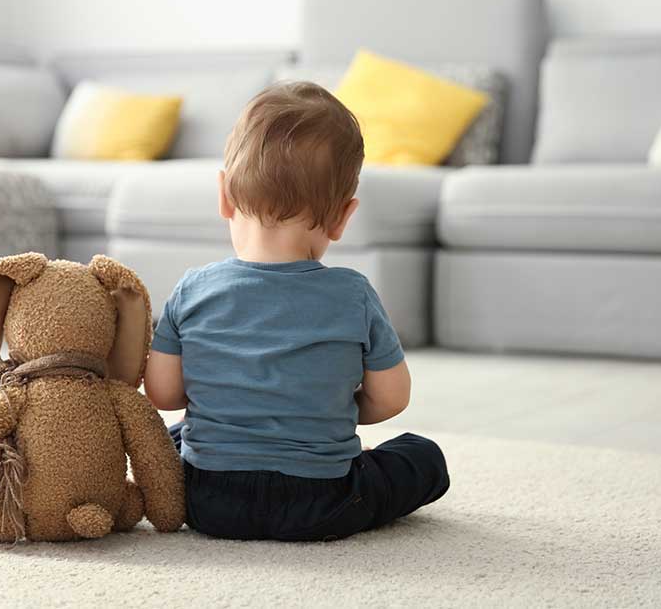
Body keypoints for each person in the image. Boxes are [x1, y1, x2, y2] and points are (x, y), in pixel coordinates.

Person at [144, 82, 449, 541]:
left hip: (208, 500)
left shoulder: (193, 289)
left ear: (224, 195)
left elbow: (163, 394)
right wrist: (325, 415)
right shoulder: (353, 294)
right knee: (423, 456)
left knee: (175, 436)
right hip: (324, 502)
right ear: (344, 217)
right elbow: (392, 398)